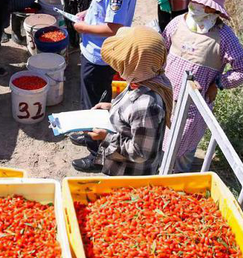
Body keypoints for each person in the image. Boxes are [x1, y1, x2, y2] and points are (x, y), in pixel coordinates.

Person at [161, 0, 243, 172]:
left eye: (202, 4)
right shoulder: (177, 23)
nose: (195, 7)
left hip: (192, 108)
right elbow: (161, 50)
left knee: (180, 156)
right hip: (164, 99)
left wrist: (219, 83)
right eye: (194, 2)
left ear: (214, 11)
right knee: (159, 150)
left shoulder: (223, 36)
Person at [71, 26, 174, 174]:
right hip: (120, 164)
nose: (117, 67)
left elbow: (139, 153)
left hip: (129, 173)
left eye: (121, 62)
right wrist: (112, 106)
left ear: (135, 65)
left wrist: (106, 137)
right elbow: (132, 112)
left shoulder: (147, 105)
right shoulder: (145, 78)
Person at [72, 0, 138, 128]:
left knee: (96, 104)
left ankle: (95, 152)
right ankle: (85, 132)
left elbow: (114, 28)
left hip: (100, 56)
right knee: (88, 96)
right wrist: (88, 13)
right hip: (93, 50)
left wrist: (82, 28)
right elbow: (103, 10)